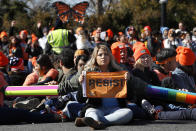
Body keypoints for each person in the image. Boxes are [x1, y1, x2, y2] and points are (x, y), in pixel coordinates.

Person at [75, 44, 133, 130]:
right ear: (95, 57)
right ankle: (94, 121)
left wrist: (128, 82)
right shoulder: (89, 73)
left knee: (128, 113)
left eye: (106, 54)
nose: (103, 57)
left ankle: (97, 122)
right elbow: (80, 99)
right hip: (97, 109)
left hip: (116, 109)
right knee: (90, 112)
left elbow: (131, 97)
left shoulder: (118, 72)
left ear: (110, 57)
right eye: (100, 55)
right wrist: (81, 84)